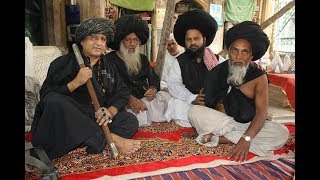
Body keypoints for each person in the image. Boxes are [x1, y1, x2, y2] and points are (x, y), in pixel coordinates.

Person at [30, 17, 141, 160]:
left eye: (102, 39)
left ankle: (88, 139)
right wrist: (76, 82)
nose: (99, 43)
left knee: (130, 120)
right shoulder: (62, 63)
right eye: (93, 38)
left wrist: (110, 111)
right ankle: (111, 139)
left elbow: (122, 91)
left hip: (95, 116)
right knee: (54, 101)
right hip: (69, 118)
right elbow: (45, 96)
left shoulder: (108, 65)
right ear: (82, 41)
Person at [188, 21, 289, 162]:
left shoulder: (259, 77)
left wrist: (247, 138)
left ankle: (221, 138)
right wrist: (198, 103)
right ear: (229, 52)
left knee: (282, 133)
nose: (239, 56)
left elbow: (261, 112)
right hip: (223, 122)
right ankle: (226, 136)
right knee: (194, 112)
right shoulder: (217, 72)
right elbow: (208, 103)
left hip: (248, 124)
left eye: (245, 52)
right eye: (235, 50)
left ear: (251, 56)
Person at [106, 15, 172, 127]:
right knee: (130, 117)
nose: (132, 44)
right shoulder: (109, 60)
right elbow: (111, 87)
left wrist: (153, 88)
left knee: (167, 98)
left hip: (144, 100)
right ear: (120, 41)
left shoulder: (142, 59)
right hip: (123, 103)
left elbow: (153, 78)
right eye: (128, 40)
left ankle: (146, 114)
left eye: (135, 40)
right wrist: (129, 99)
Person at [164, 9, 222, 127]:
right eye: (188, 39)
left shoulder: (217, 59)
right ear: (184, 42)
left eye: (196, 39)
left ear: (204, 39)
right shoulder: (179, 62)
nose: (192, 43)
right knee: (179, 106)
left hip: (213, 102)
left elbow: (227, 81)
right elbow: (174, 85)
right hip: (189, 102)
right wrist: (193, 98)